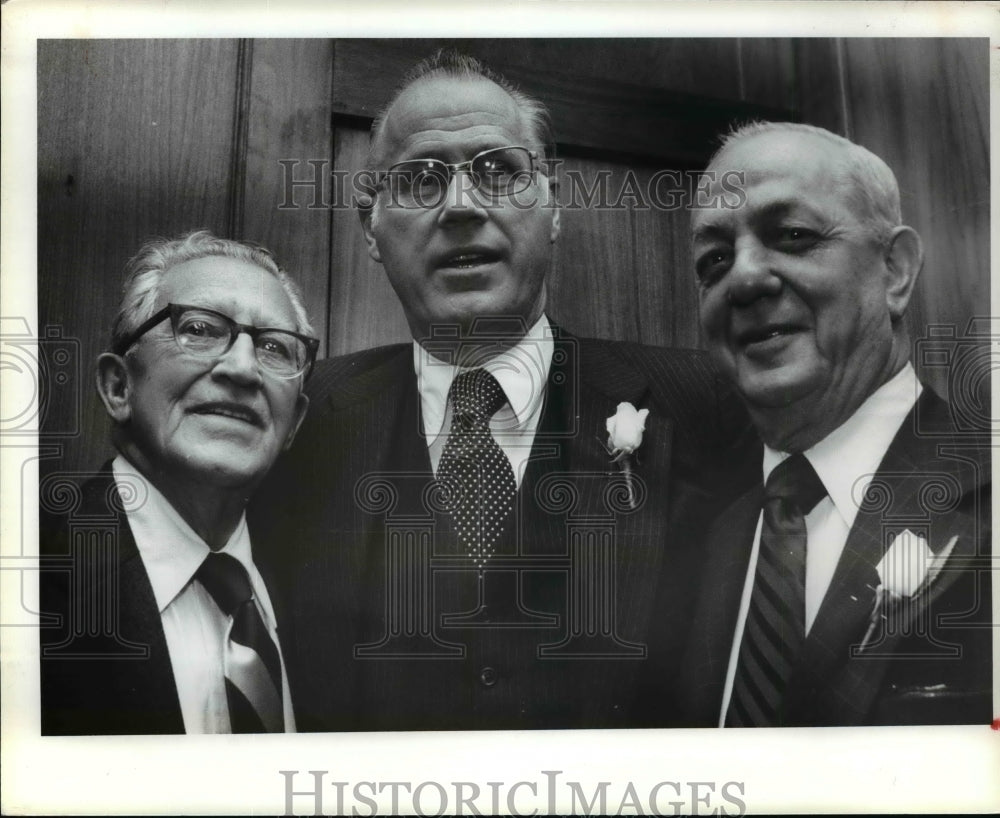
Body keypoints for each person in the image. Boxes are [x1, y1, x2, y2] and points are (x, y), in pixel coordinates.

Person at [250, 50, 755, 731]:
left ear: (552, 206)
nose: (461, 206)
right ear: (371, 226)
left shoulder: (707, 403)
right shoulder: (296, 416)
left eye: (497, 171)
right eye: (422, 180)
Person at [671, 122, 992, 726]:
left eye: (792, 236)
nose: (742, 279)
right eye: (714, 260)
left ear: (894, 271)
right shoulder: (701, 538)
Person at [39, 230, 317, 735]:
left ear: (294, 423)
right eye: (200, 328)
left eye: (275, 346)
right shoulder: (30, 574)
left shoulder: (318, 589)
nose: (242, 367)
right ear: (119, 386)